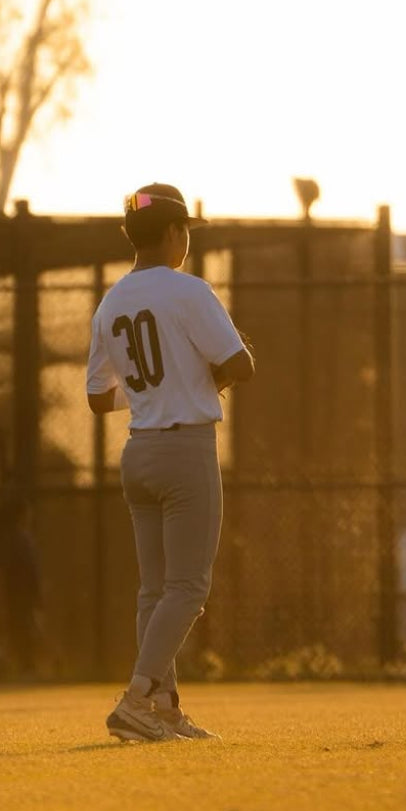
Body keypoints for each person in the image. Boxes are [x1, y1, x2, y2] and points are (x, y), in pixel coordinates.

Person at [86, 183, 254, 741]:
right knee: (187, 589)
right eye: (186, 232)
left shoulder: (111, 302)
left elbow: (95, 397)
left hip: (139, 452)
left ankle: (163, 710)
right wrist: (198, 381)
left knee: (155, 592)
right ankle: (137, 698)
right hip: (185, 451)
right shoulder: (188, 290)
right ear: (173, 234)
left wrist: (151, 392)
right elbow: (240, 363)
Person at [0, 492, 44, 678]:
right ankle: (18, 669)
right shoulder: (10, 539)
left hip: (26, 597)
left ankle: (24, 668)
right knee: (17, 632)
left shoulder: (24, 538)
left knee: (26, 632)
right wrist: (0, 598)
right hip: (15, 596)